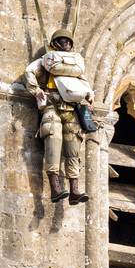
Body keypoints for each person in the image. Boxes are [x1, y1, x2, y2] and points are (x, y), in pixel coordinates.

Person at [23, 29, 96, 204]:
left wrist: (89, 95)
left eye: (68, 41)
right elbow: (29, 72)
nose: (66, 44)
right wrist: (37, 90)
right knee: (53, 142)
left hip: (71, 108)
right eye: (62, 41)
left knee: (73, 148)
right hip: (52, 104)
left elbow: (83, 82)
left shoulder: (75, 66)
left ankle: (74, 189)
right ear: (55, 44)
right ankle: (55, 187)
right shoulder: (47, 61)